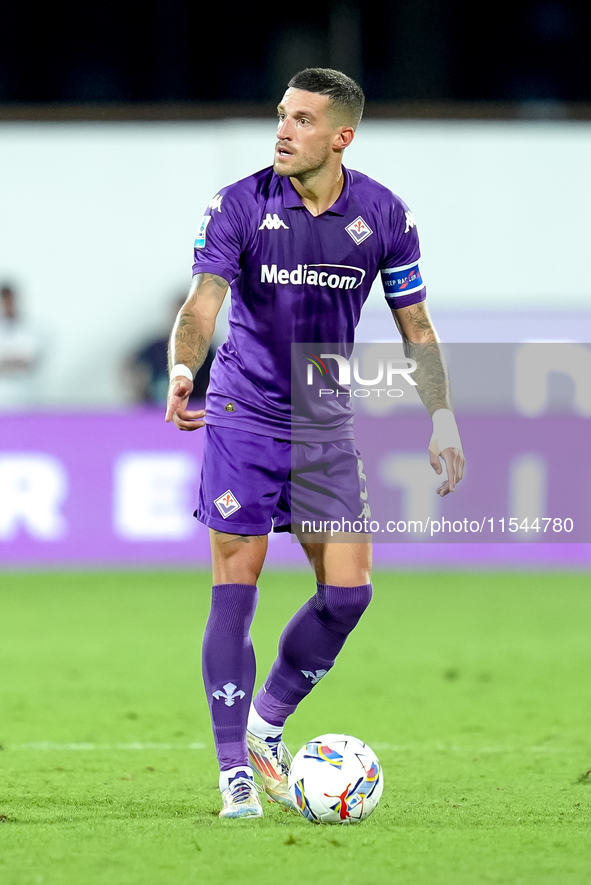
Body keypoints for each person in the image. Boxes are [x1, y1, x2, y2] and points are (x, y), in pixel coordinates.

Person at [165, 68, 465, 819]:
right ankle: (234, 767)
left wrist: (442, 416)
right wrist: (181, 368)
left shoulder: (384, 214)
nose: (283, 130)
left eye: (300, 119)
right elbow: (203, 303)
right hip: (244, 411)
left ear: (340, 136)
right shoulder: (239, 202)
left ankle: (266, 724)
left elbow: (415, 326)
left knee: (348, 591)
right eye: (280, 115)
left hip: (324, 416)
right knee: (237, 584)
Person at [0, 285, 42, 410]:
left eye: (9, 300)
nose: (7, 304)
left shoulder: (31, 328)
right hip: (3, 393)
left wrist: (7, 363)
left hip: (26, 392)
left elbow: (30, 362)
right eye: (4, 301)